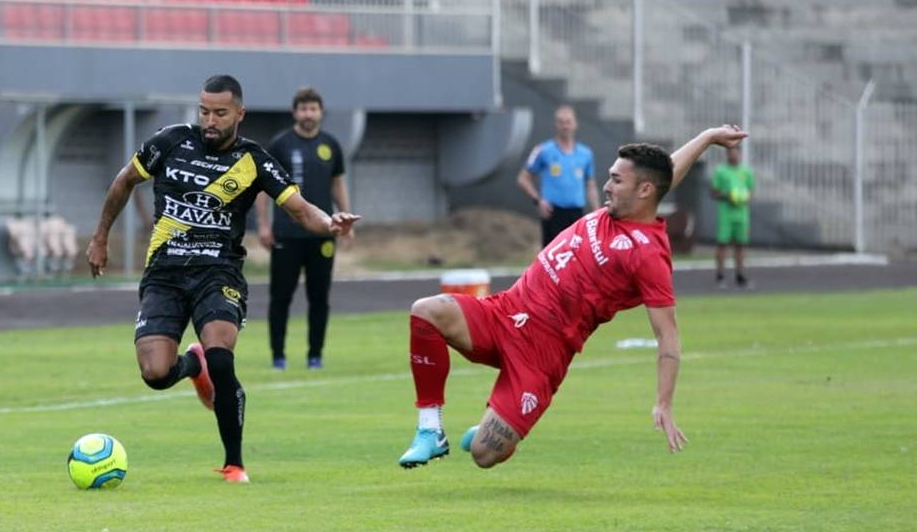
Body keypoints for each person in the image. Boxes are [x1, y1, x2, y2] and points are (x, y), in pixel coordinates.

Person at [397, 125, 748, 470]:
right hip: (505, 311)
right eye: (610, 177)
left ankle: (497, 431)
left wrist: (664, 402)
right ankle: (430, 430)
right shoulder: (628, 202)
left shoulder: (647, 255)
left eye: (616, 180)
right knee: (426, 312)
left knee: (483, 454)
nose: (607, 186)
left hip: (542, 353)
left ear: (643, 191)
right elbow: (664, 173)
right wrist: (707, 138)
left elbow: (667, 335)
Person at [86, 75, 360, 484]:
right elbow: (124, 181)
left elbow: (301, 210)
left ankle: (234, 463)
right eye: (204, 111)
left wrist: (330, 221)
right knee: (156, 374)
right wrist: (100, 237)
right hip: (164, 273)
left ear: (239, 114)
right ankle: (192, 364)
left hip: (219, 272)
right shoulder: (170, 141)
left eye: (219, 113)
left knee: (221, 352)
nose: (209, 121)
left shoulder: (255, 160)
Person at [255, 86, 353, 371]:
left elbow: (337, 183)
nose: (308, 114)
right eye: (303, 109)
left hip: (323, 235)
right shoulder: (280, 144)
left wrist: (345, 220)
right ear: (294, 112)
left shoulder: (331, 145)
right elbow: (263, 188)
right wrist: (263, 225)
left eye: (313, 108)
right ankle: (278, 357)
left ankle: (315, 356)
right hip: (286, 234)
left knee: (319, 298)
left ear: (321, 112)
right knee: (281, 297)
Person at [517, 105, 599, 247]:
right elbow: (523, 178)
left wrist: (596, 212)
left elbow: (590, 184)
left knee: (576, 255)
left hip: (576, 214)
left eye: (568, 122)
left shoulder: (585, 153)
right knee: (552, 256)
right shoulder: (543, 150)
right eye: (561, 122)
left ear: (575, 124)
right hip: (553, 213)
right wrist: (538, 200)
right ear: (556, 124)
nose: (565, 126)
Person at [710, 142, 755, 289]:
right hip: (726, 214)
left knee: (741, 245)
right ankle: (720, 275)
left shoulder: (746, 172)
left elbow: (751, 192)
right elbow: (714, 192)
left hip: (741, 214)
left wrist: (745, 197)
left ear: (740, 154)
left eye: (736, 152)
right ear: (727, 154)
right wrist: (727, 196)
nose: (733, 154)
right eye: (730, 152)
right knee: (722, 244)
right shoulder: (721, 171)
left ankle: (740, 276)